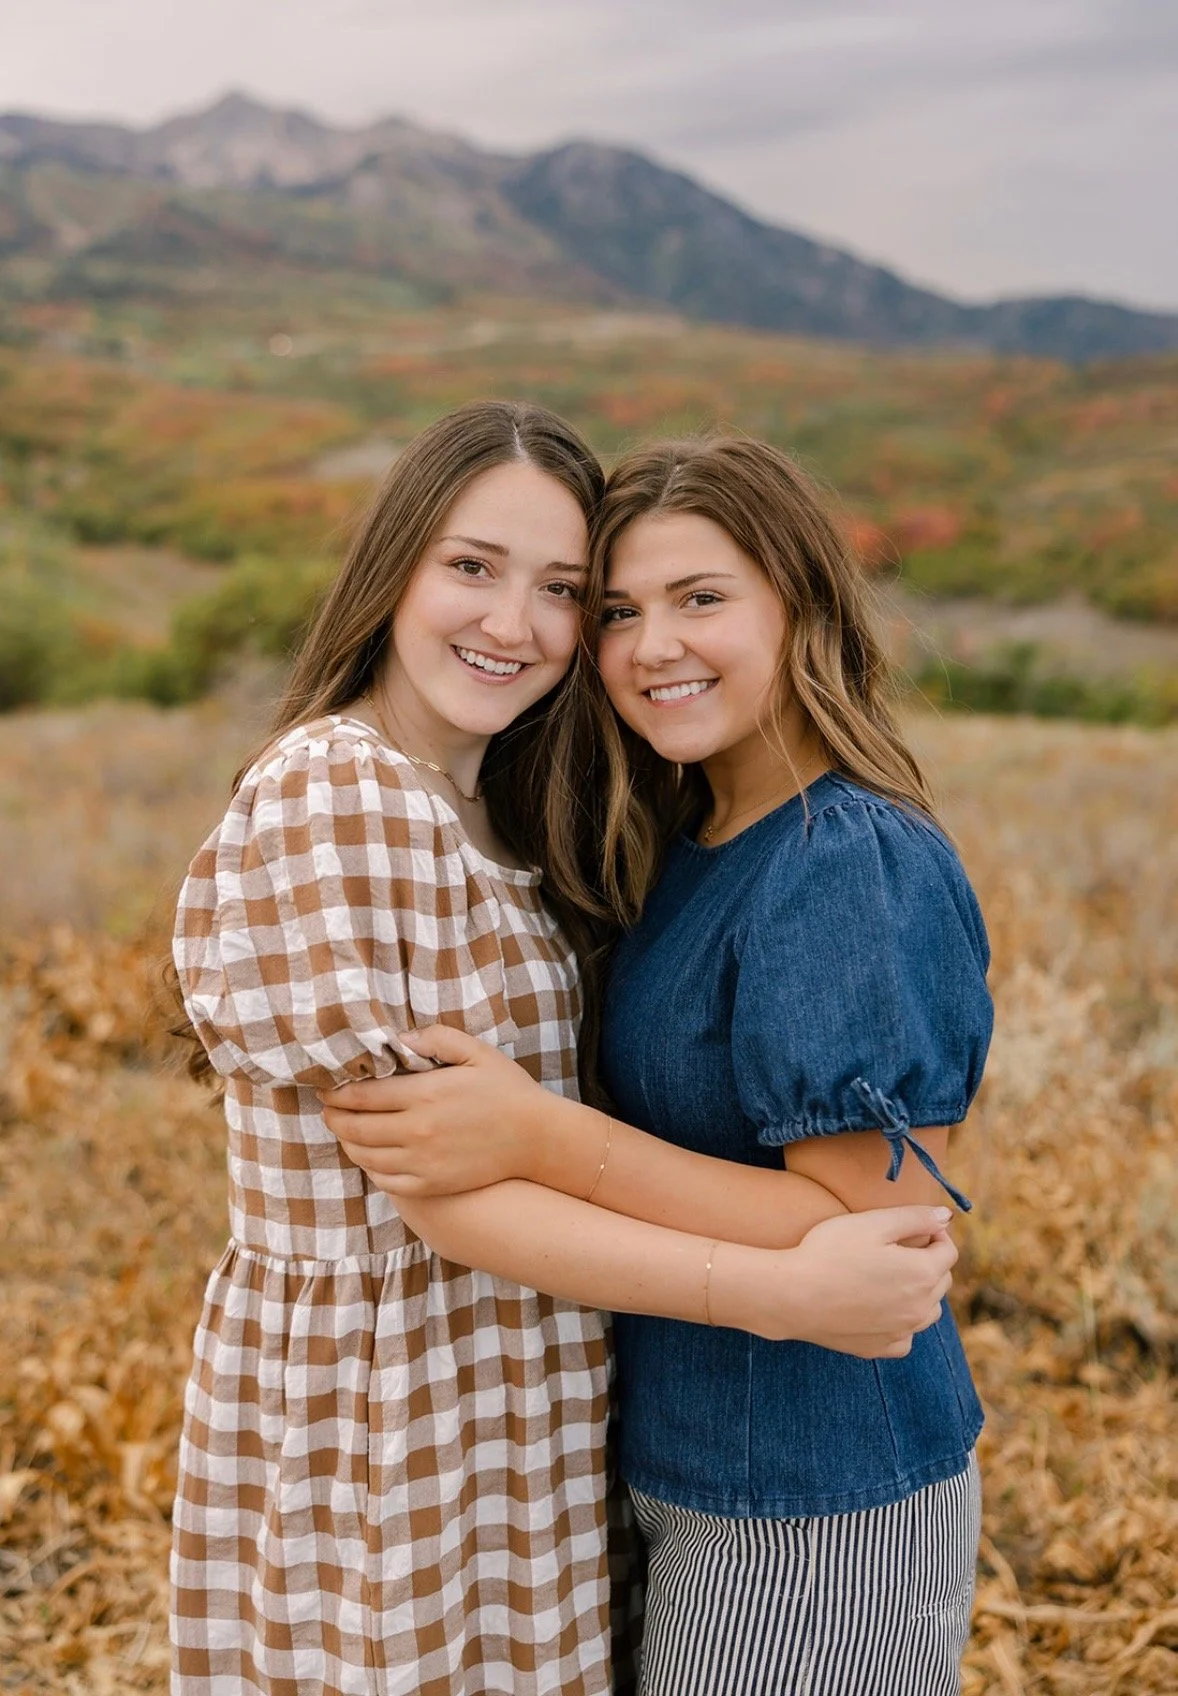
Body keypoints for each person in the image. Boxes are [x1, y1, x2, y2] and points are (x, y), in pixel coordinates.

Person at [322, 434, 993, 1696]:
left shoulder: (842, 858)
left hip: (810, 1494)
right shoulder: (697, 835)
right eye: (618, 609)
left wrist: (537, 1138)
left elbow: (876, 1223)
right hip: (691, 1460)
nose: (649, 647)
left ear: (797, 599)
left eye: (700, 599)